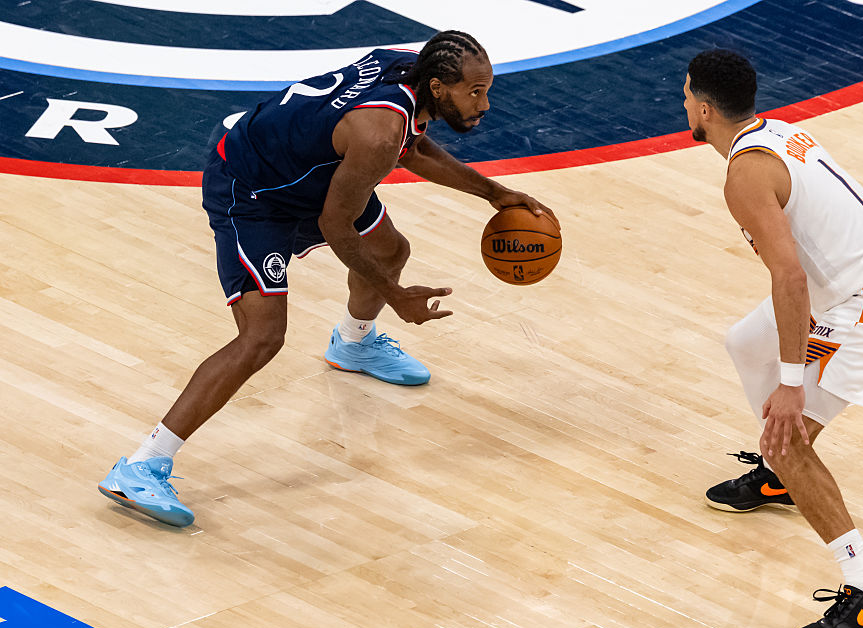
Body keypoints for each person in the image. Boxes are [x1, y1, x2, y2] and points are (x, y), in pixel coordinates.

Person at [98, 31, 558, 528]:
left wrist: (494, 194)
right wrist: (396, 296)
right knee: (262, 337)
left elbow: (414, 149)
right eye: (475, 92)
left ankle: (353, 345)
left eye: (486, 89)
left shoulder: (405, 73)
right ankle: (142, 465)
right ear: (439, 87)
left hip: (309, 174)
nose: (484, 103)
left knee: (391, 248)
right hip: (252, 192)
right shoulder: (376, 134)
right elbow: (335, 224)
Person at [684, 49, 863, 628]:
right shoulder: (774, 131)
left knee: (785, 434)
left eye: (686, 94)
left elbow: (789, 279)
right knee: (744, 341)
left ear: (706, 109)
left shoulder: (743, 177)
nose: (683, 102)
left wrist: (792, 386)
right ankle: (779, 477)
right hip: (853, 281)